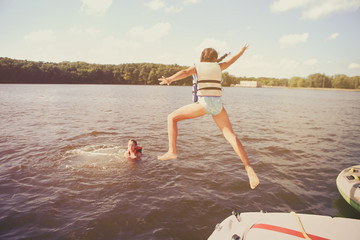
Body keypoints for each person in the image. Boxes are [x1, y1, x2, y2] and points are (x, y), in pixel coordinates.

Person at [157, 43, 260, 189]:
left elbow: (185, 72)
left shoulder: (198, 66)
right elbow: (234, 59)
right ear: (214, 58)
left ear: (202, 57)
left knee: (171, 117)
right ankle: (248, 167)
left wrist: (169, 79)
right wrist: (242, 50)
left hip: (204, 104)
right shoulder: (219, 66)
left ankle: (172, 151)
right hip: (218, 105)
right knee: (231, 136)